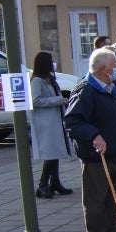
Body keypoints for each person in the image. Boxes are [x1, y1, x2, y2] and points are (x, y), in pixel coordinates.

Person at [61, 48, 116, 232]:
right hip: (96, 157)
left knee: (114, 200)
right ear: (104, 69)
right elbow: (72, 121)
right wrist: (94, 135)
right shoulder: (86, 90)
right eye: (114, 66)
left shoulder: (109, 87)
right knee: (96, 202)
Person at [28, 52, 73, 200]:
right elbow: (36, 101)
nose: (53, 63)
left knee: (55, 152)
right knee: (50, 153)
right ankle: (42, 184)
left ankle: (55, 182)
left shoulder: (49, 79)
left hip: (55, 119)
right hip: (45, 122)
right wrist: (58, 100)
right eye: (51, 60)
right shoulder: (36, 81)